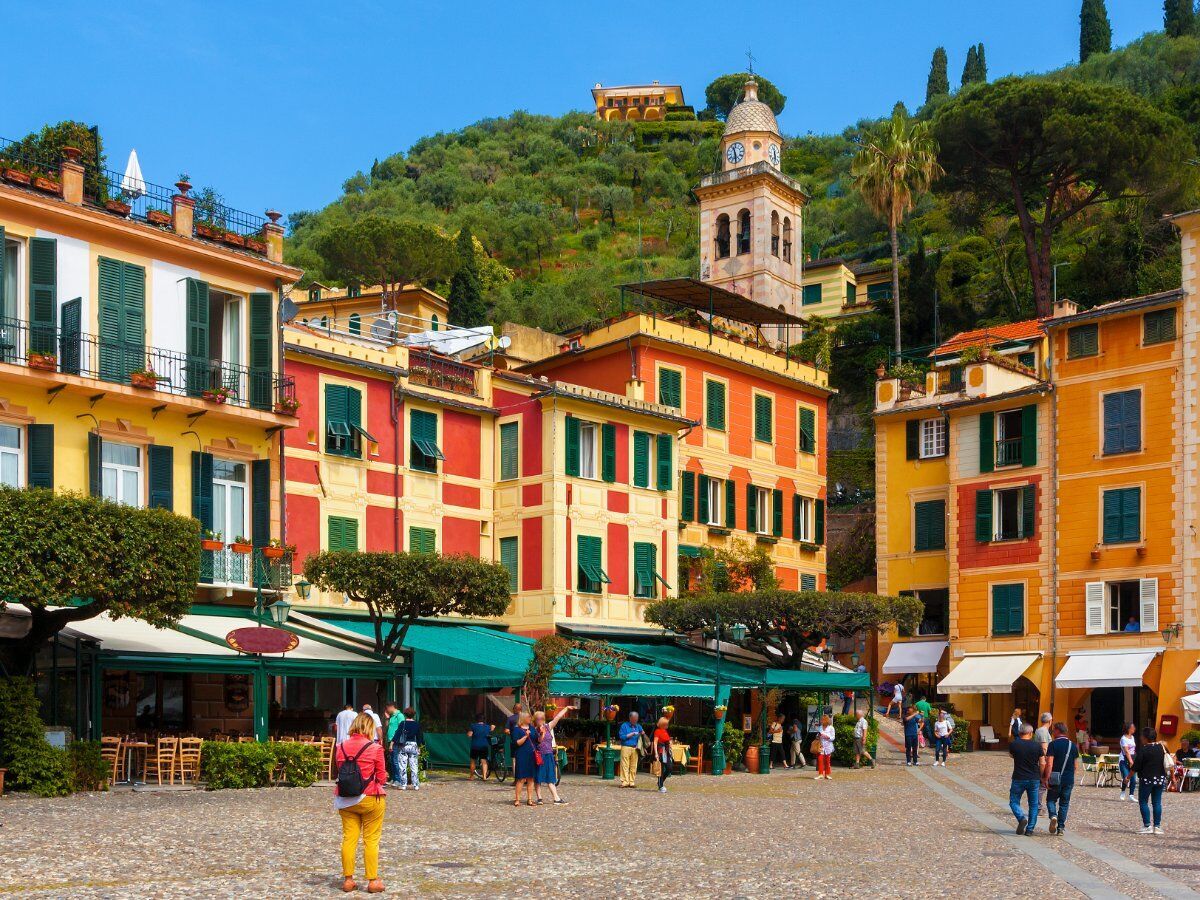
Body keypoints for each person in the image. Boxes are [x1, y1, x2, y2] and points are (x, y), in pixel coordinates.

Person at [334, 713, 388, 894]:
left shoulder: (340, 747)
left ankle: (348, 880)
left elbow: (340, 770)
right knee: (371, 840)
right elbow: (381, 777)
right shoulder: (375, 748)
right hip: (371, 797)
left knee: (349, 839)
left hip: (346, 799)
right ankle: (372, 881)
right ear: (369, 727)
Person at [532, 706, 574, 805]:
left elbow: (557, 717)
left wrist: (566, 708)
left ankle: (556, 798)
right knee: (538, 777)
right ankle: (539, 798)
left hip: (549, 755)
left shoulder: (548, 726)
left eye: (542, 718)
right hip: (539, 756)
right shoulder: (534, 730)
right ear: (535, 720)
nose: (540, 720)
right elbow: (539, 741)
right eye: (538, 719)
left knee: (551, 777)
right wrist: (541, 733)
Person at [1132, 726, 1169, 834]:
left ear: (1145, 737)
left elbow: (1136, 766)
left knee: (1143, 802)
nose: (1140, 738)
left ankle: (1147, 825)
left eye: (1142, 736)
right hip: (1160, 779)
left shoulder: (1144, 749)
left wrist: (1128, 778)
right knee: (1157, 803)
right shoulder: (1161, 747)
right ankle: (1157, 826)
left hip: (1146, 780)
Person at [1009, 723, 1044, 835]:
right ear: (1031, 733)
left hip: (1018, 777)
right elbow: (1042, 762)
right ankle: (1030, 829)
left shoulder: (1014, 744)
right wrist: (1042, 776)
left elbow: (1012, 755)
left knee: (1014, 801)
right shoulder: (1037, 746)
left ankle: (1021, 818)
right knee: (1033, 804)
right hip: (1034, 778)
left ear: (1020, 733)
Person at [1045, 722, 1077, 836]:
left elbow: (1049, 763)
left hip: (1055, 778)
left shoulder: (1053, 744)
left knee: (1050, 800)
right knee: (1064, 803)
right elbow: (1075, 766)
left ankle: (1053, 815)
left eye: (1054, 730)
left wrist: (1046, 778)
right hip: (1068, 780)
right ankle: (1060, 828)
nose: (1053, 732)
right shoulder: (1073, 745)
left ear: (1058, 731)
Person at [394, 708, 423, 790]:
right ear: (413, 715)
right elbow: (419, 737)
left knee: (402, 765)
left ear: (405, 714)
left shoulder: (402, 723)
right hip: (413, 745)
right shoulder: (417, 724)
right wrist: (419, 747)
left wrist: (392, 743)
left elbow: (397, 734)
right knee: (414, 766)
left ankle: (403, 785)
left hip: (403, 745)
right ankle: (416, 785)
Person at [511, 711, 536, 807]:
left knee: (531, 778)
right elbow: (517, 743)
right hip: (521, 756)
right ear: (523, 718)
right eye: (529, 717)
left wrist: (542, 734)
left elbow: (538, 740)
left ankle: (529, 799)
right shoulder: (517, 730)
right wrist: (526, 736)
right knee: (521, 778)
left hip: (532, 756)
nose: (530, 718)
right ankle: (517, 799)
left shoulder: (532, 728)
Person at [1033, 712, 1053, 812]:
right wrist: (1048, 761)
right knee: (1042, 785)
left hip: (1042, 760)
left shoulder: (1040, 730)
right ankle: (1038, 808)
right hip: (1043, 761)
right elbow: (1044, 748)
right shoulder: (1043, 731)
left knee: (1042, 785)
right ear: (1050, 721)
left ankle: (1038, 807)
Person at [618, 712, 644, 788]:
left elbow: (642, 733)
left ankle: (631, 781)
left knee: (633, 765)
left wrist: (642, 733)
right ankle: (625, 781)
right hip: (626, 746)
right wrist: (631, 734)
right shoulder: (624, 726)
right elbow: (622, 737)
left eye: (636, 719)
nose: (635, 721)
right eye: (633, 719)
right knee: (624, 765)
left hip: (635, 748)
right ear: (630, 718)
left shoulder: (638, 726)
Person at [467, 714, 494, 781]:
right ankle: (484, 776)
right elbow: (491, 730)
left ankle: (472, 776)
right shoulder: (487, 727)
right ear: (484, 720)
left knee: (473, 761)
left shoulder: (473, 726)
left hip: (475, 746)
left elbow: (469, 735)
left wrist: (469, 733)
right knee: (484, 761)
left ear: (477, 719)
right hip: (484, 746)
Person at [383, 701, 403, 786]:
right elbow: (387, 727)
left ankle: (398, 780)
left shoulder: (399, 715)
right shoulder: (392, 716)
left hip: (395, 741)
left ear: (392, 707)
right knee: (391, 760)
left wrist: (394, 740)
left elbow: (401, 728)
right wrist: (387, 718)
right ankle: (394, 778)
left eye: (387, 708)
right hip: (390, 740)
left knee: (395, 760)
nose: (387, 710)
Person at [652, 716, 673, 793]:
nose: (667, 726)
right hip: (660, 751)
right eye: (666, 724)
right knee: (660, 769)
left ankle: (660, 782)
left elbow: (667, 741)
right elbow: (655, 742)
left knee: (669, 767)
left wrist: (670, 744)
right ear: (662, 724)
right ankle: (660, 785)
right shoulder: (657, 731)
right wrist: (656, 754)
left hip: (666, 752)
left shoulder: (665, 731)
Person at [1119, 722, 1138, 802]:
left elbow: (1133, 750)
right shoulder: (1123, 739)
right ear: (1128, 729)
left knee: (1133, 778)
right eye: (1133, 727)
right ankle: (1123, 791)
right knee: (1126, 777)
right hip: (1124, 760)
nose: (1134, 729)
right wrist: (1130, 761)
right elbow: (1126, 751)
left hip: (1133, 758)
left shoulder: (1132, 737)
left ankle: (1131, 795)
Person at [814, 714, 835, 780]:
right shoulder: (820, 727)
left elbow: (833, 738)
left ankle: (827, 774)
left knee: (827, 761)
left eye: (822, 720)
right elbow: (818, 735)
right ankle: (820, 774)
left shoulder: (831, 728)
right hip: (821, 746)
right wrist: (817, 736)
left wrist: (827, 737)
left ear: (826, 720)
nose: (821, 721)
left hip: (828, 746)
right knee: (820, 759)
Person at [504, 703, 522, 778]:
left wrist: (512, 733)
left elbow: (506, 730)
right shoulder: (526, 718)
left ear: (514, 709)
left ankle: (516, 779)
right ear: (521, 709)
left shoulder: (511, 719)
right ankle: (526, 778)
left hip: (515, 742)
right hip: (525, 741)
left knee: (514, 760)